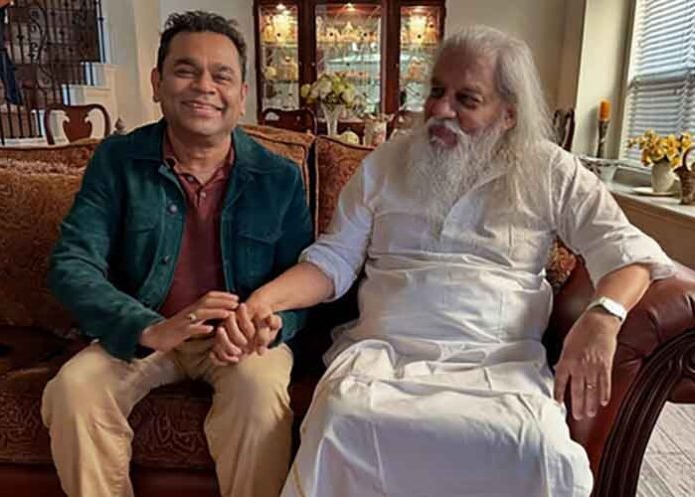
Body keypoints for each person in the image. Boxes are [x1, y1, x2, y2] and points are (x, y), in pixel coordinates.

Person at [211, 26, 675, 497]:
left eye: (466, 99)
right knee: (342, 419)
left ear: (509, 114)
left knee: (540, 446)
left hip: (500, 362)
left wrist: (604, 316)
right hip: (384, 356)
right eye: (436, 91)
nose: (439, 110)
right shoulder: (386, 163)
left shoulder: (550, 170)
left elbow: (628, 252)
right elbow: (333, 259)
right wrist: (265, 299)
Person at [41, 10, 312, 497]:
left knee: (258, 393)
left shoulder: (279, 177)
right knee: (74, 390)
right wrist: (147, 328)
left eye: (221, 76)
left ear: (241, 96)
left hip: (236, 341)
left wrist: (272, 325)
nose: (204, 86)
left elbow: (304, 281)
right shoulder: (117, 161)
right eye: (186, 70)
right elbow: (72, 263)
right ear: (157, 83)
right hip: (145, 331)